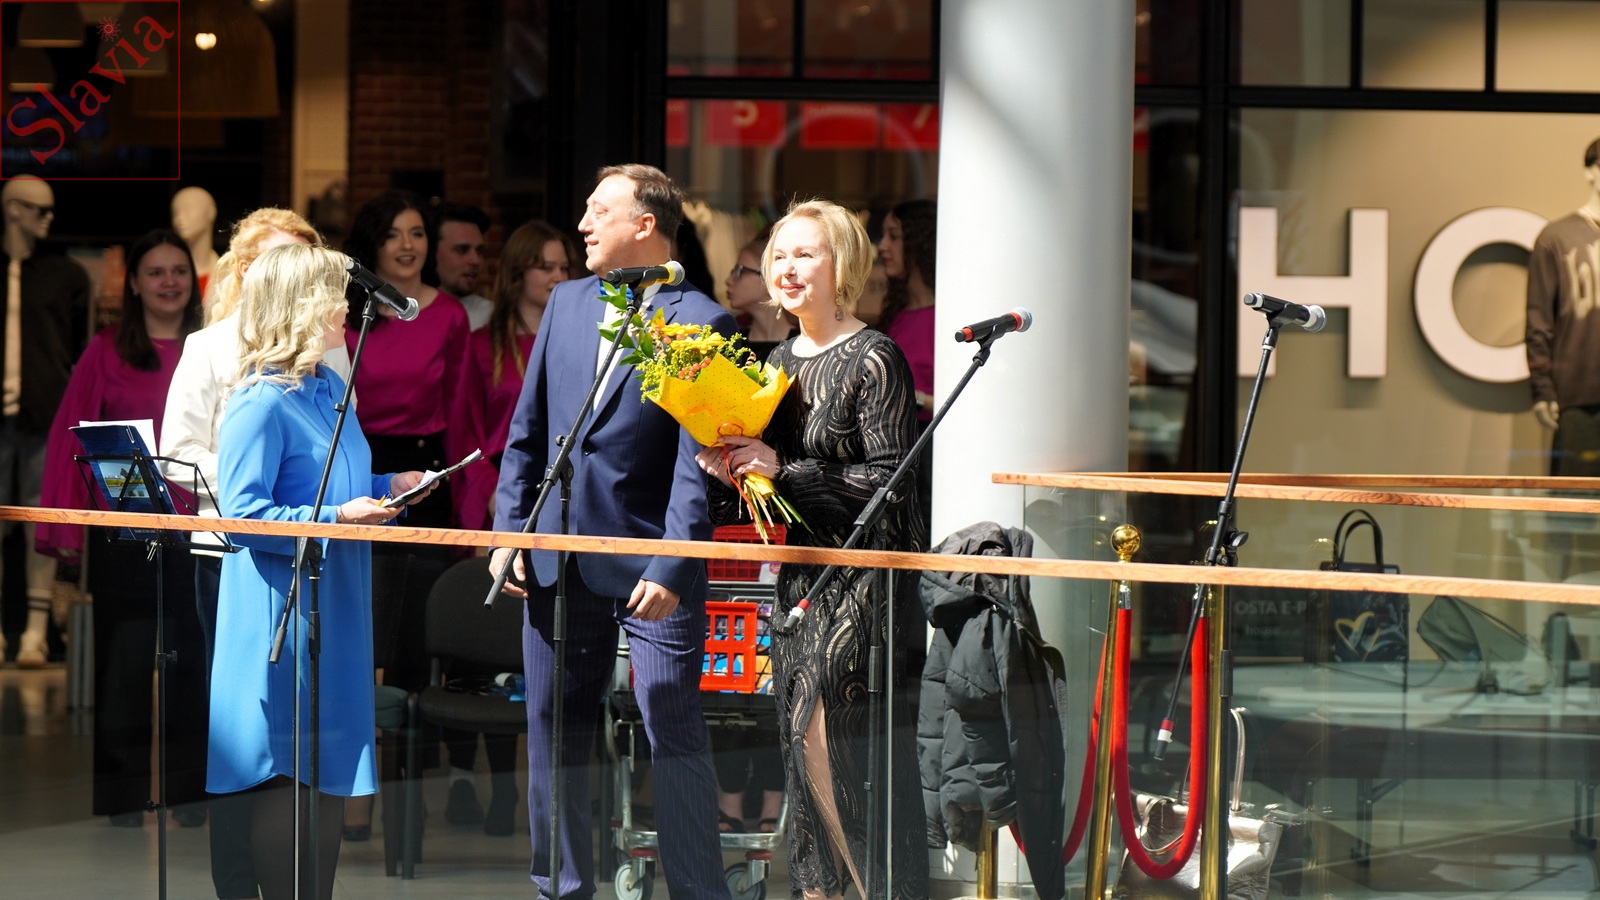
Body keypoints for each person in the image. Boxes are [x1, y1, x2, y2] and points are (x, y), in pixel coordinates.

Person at [489, 163, 736, 900]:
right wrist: (509, 533)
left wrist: (672, 564)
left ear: (645, 224)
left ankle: (698, 892)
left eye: (600, 211)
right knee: (553, 726)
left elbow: (697, 466)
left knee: (671, 724)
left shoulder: (702, 320)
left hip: (650, 562)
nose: (584, 225)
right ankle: (560, 888)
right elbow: (527, 432)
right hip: (557, 554)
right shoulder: (566, 304)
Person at [697, 199, 928, 900]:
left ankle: (874, 889)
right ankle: (819, 890)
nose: (787, 268)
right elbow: (764, 500)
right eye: (779, 255)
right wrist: (728, 474)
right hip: (800, 582)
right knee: (799, 749)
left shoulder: (875, 357)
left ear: (842, 266)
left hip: (867, 582)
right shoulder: (774, 361)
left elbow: (891, 484)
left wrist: (784, 469)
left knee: (832, 744)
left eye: (806, 254)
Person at [208, 242, 431, 900]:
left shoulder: (330, 388)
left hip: (335, 601)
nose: (345, 306)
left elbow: (340, 483)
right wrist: (336, 516)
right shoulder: (259, 401)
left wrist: (392, 485)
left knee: (327, 765)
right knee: (288, 767)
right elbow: (242, 517)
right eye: (334, 294)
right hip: (282, 607)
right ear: (300, 306)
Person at [159, 207, 330, 900]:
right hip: (225, 549)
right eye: (285, 258)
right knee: (238, 724)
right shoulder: (211, 345)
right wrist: (247, 476)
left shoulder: (327, 345)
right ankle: (235, 880)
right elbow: (176, 451)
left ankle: (290, 873)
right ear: (248, 268)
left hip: (309, 551)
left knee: (297, 723)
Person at [36, 229, 209, 827]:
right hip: (124, 534)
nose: (169, 282)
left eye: (178, 271)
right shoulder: (106, 349)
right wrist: (64, 523)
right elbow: (70, 431)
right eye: (155, 272)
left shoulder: (212, 348)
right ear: (134, 283)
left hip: (201, 527)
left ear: (193, 281)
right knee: (123, 671)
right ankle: (121, 803)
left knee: (193, 666)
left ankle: (191, 798)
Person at [341, 190, 470, 756]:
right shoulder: (349, 314)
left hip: (425, 472)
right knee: (362, 615)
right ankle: (356, 755)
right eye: (393, 234)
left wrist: (465, 492)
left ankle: (412, 764)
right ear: (372, 244)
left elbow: (460, 409)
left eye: (417, 233)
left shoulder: (449, 315)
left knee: (418, 622)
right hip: (360, 465)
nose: (407, 245)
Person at [0, 174, 89, 668]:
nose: (48, 219)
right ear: (13, 209)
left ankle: (35, 632)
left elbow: (74, 348)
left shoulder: (65, 275)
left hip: (44, 413)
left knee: (40, 519)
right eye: (39, 210)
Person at [1528, 137, 1600, 476]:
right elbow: (1539, 318)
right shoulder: (1556, 237)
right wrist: (1542, 388)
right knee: (1576, 500)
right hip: (1578, 394)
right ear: (1590, 171)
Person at [876, 198, 937, 528]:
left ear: (919, 241)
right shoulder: (896, 315)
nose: (883, 246)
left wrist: (917, 398)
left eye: (894, 236)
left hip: (929, 453)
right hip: (893, 447)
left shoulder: (947, 315)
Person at [724, 234, 796, 364]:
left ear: (770, 280)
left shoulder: (803, 343)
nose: (728, 281)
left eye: (740, 271)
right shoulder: (730, 343)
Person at [435, 202, 493, 330]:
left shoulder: (495, 319)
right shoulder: (404, 314)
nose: (476, 261)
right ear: (432, 252)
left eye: (479, 251)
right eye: (462, 250)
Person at [172, 186, 220, 296]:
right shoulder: (168, 277)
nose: (179, 218)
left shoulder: (229, 274)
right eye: (175, 213)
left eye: (188, 209)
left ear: (210, 213)